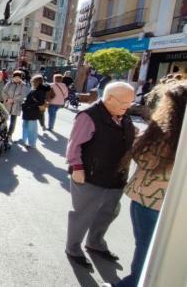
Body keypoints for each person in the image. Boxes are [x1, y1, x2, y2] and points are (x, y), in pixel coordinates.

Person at [109, 82, 187, 287]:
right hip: (164, 206)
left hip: (146, 200)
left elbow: (141, 157)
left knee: (146, 250)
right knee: (156, 255)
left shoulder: (162, 130)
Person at [65, 82, 136, 270]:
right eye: (125, 101)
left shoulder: (124, 116)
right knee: (83, 215)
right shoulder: (88, 116)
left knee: (108, 213)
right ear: (110, 98)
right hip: (89, 176)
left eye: (131, 102)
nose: (128, 105)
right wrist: (77, 167)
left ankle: (95, 244)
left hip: (115, 178)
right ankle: (73, 249)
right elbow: (74, 146)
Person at [20, 76, 46, 149]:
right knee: (25, 126)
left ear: (36, 82)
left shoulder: (40, 91)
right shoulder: (35, 90)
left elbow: (40, 102)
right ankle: (24, 140)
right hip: (28, 112)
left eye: (33, 81)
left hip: (32, 112)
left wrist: (29, 106)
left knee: (32, 129)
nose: (31, 82)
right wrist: (25, 103)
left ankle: (32, 143)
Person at [2, 70, 28, 137]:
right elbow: (4, 92)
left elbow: (23, 95)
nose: (17, 78)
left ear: (20, 78)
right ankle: (2, 132)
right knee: (4, 119)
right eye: (15, 77)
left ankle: (10, 134)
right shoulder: (9, 83)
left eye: (18, 77)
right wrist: (8, 99)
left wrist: (13, 100)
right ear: (13, 77)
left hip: (16, 105)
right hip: (7, 104)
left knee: (13, 121)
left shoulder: (23, 85)